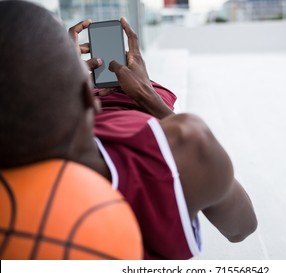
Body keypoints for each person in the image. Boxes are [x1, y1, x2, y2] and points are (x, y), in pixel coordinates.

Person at [0, 1, 257, 259]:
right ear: (90, 99)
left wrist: (60, 71)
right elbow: (242, 228)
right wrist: (148, 96)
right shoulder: (186, 144)